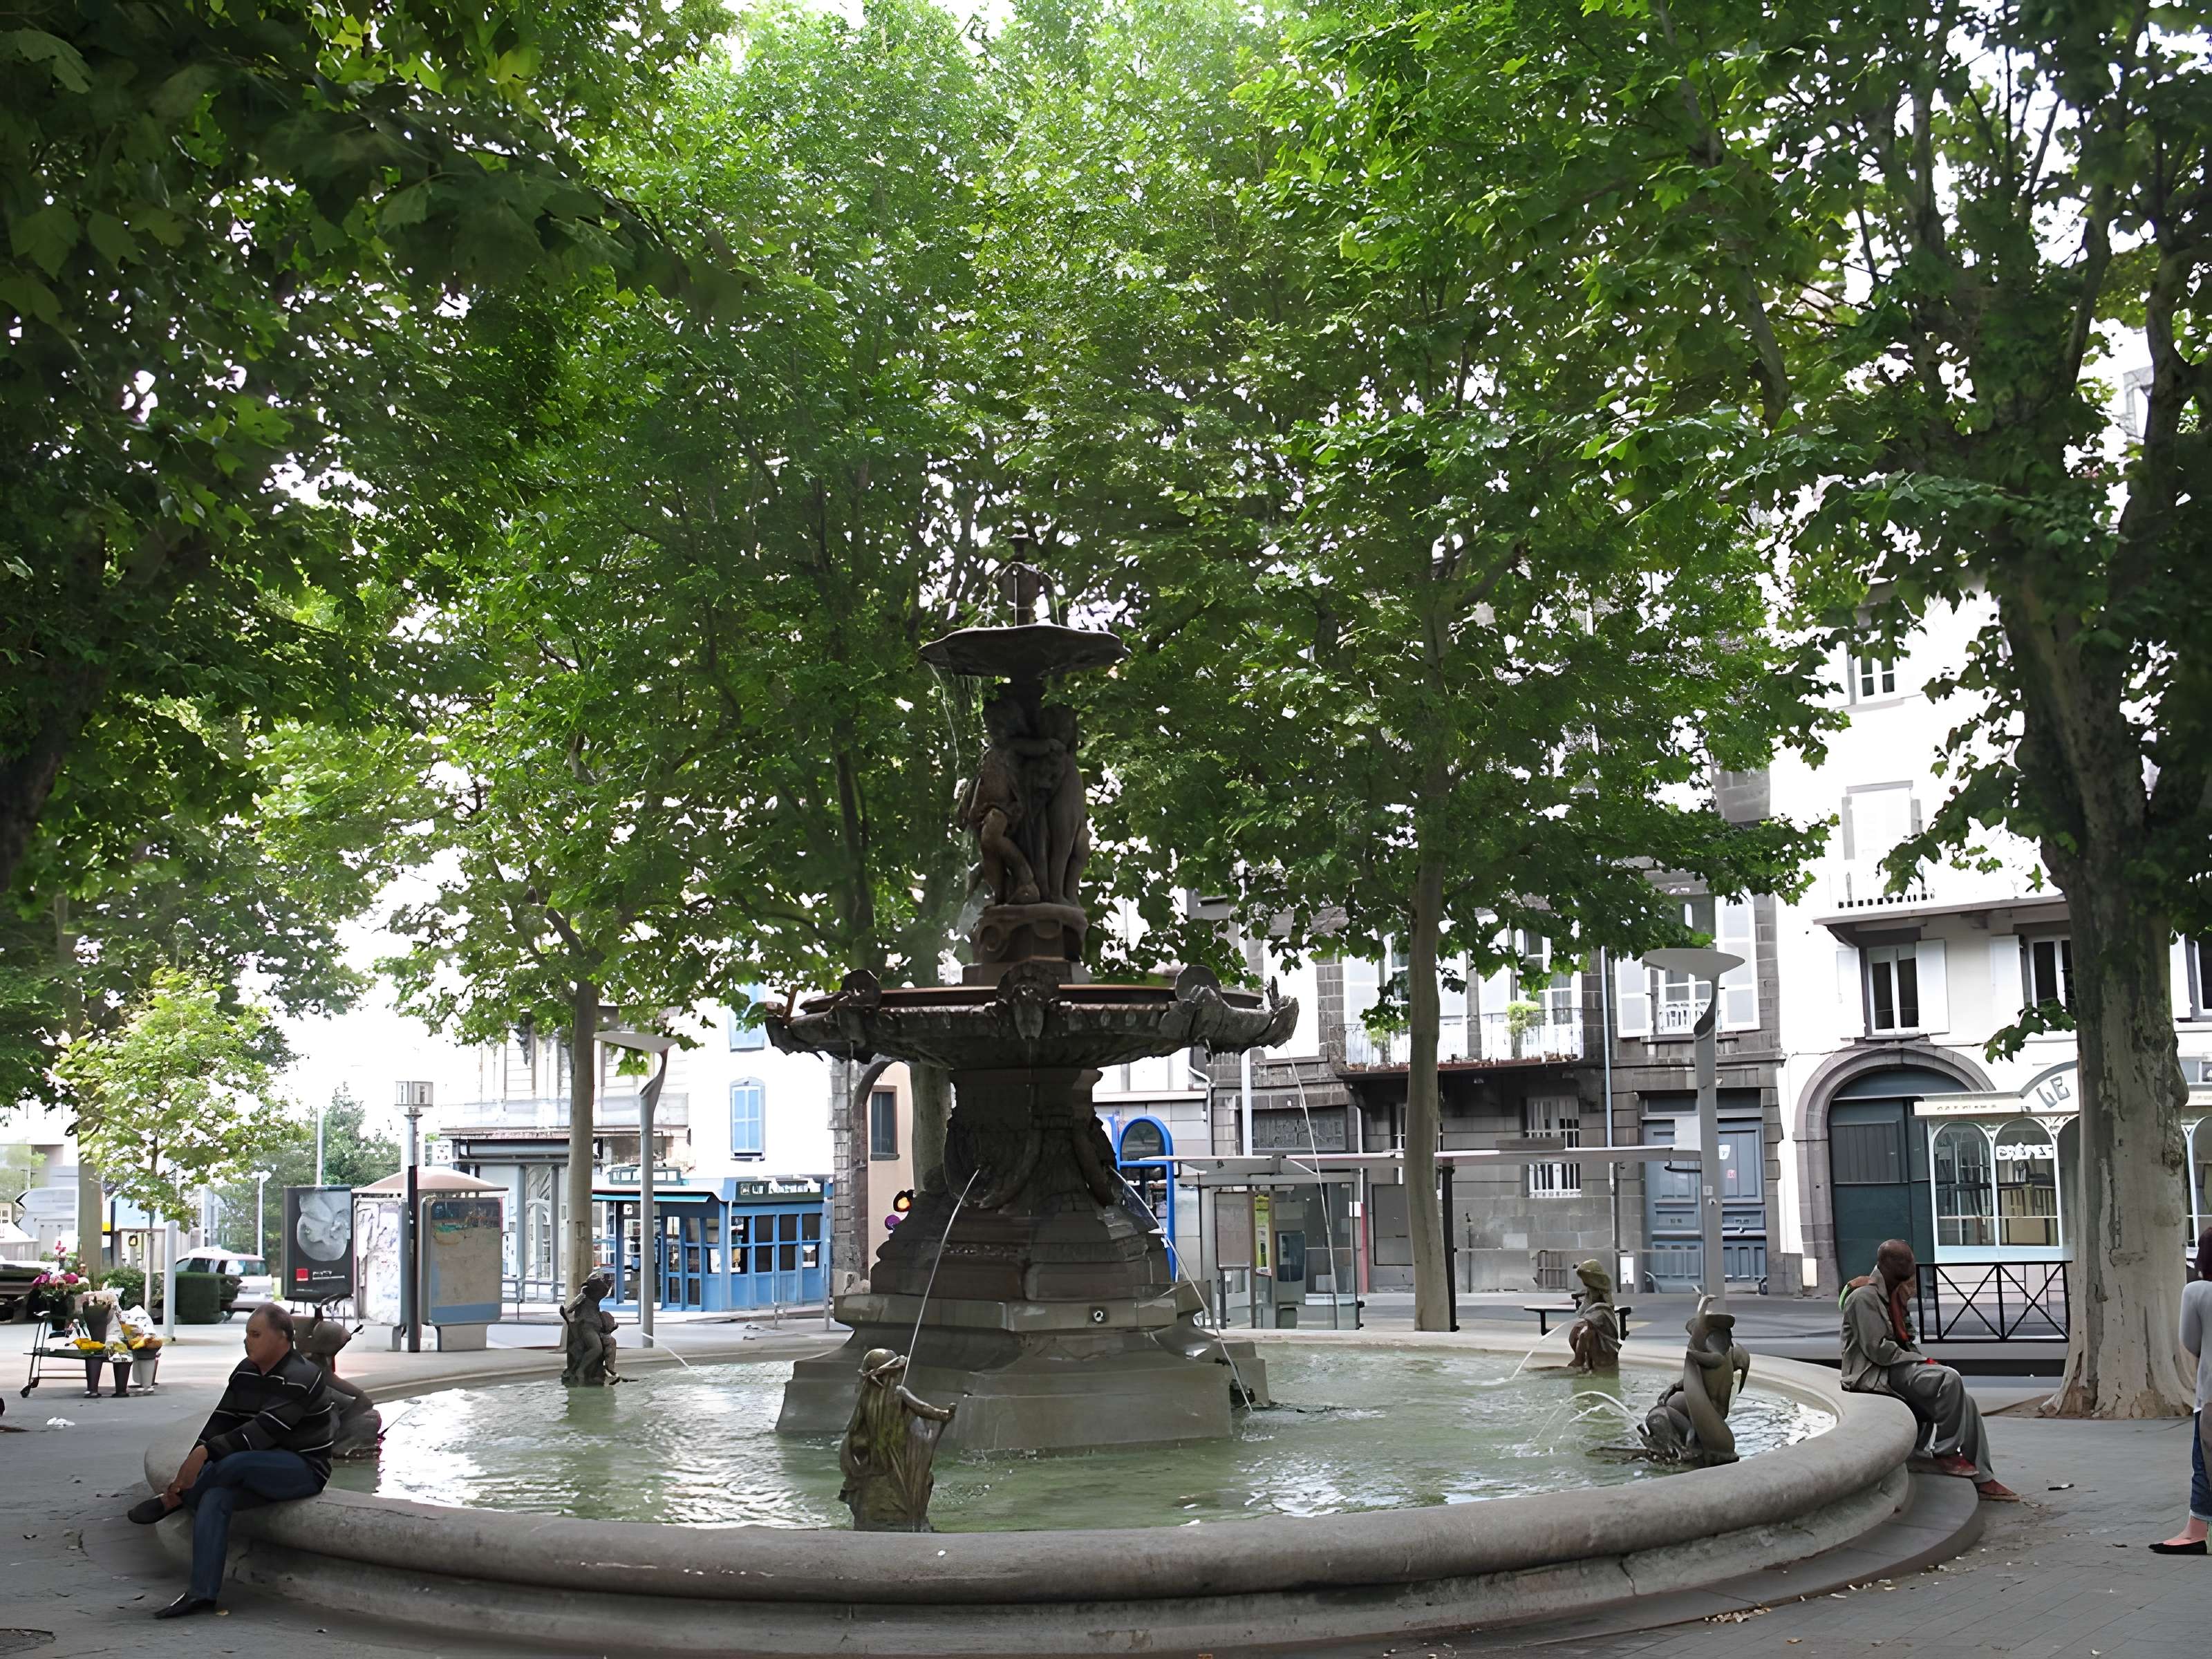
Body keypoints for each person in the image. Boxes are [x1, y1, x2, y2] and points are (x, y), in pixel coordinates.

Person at [125, 1302, 335, 1618]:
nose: (247, 1340)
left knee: (234, 1463)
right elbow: (221, 1422)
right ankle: (202, 1594)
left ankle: (175, 1500)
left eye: (255, 1334)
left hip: (302, 1467)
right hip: (255, 1464)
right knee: (215, 1498)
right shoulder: (245, 1372)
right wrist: (194, 1459)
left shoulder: (303, 1376)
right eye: (247, 1334)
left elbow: (261, 1432)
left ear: (282, 1338)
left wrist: (202, 1457)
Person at [1839, 1239, 2018, 1501]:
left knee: (1965, 1401)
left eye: (1910, 1260)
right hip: (1875, 1372)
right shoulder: (1864, 1297)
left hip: (1898, 1365)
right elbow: (1877, 1349)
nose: (1910, 1265)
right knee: (1948, 1378)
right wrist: (1919, 1363)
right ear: (1885, 1264)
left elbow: (1906, 1338)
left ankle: (1983, 1477)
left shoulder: (1895, 1293)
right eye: (1903, 1261)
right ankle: (1945, 1452)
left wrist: (1920, 1360)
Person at [2150, 1226, 2212, 1555]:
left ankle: (2196, 1531)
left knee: (2204, 1462)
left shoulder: (2199, 1292)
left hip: (2211, 1394)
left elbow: (2191, 1341)